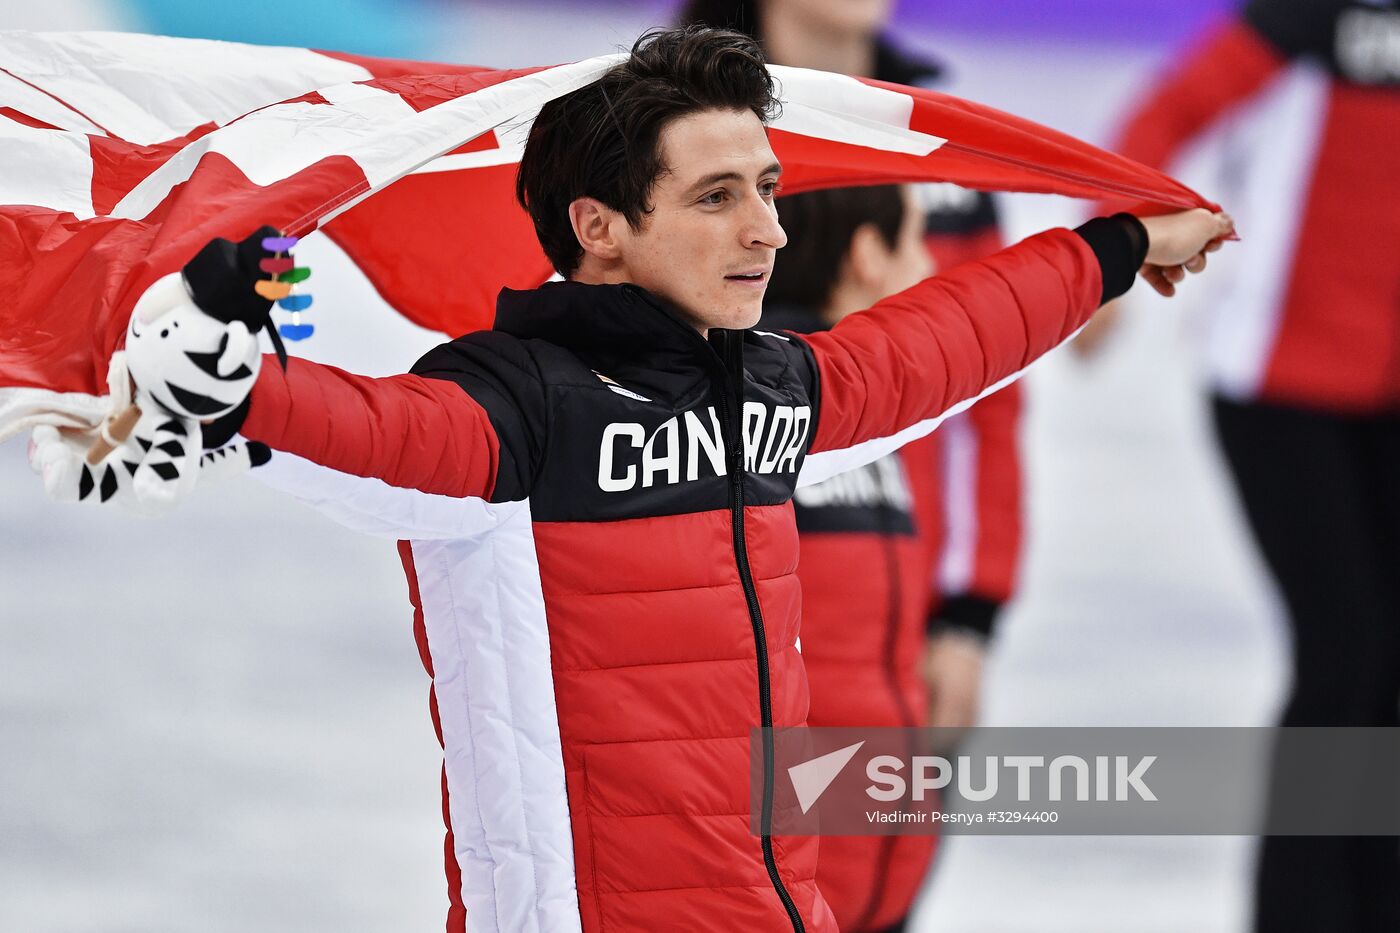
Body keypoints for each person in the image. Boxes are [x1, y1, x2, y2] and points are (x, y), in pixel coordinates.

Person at [99, 26, 1230, 933]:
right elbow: (372, 431)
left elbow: (945, 336)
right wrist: (234, 392)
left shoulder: (771, 392)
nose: (769, 232)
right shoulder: (517, 413)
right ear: (597, 227)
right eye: (715, 198)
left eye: (768, 188)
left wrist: (1117, 250)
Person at [679, 4, 1027, 929]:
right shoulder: (672, 123)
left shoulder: (938, 134)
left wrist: (968, 613)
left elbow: (993, 401)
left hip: (899, 599)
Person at [1081, 2, 1400, 930]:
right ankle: (1299, 910)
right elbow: (1168, 114)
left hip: (1387, 399)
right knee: (1346, 648)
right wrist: (1108, 250)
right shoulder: (1313, 15)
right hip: (1277, 383)